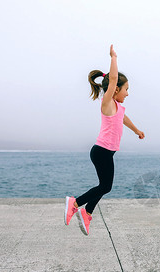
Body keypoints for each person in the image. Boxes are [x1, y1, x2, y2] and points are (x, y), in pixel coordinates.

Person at [65, 44, 145, 235]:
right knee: (105, 186)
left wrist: (137, 130)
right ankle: (75, 204)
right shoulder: (107, 102)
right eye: (126, 89)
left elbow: (124, 119)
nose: (128, 93)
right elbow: (114, 78)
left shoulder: (118, 107)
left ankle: (86, 213)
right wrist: (114, 58)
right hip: (101, 151)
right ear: (115, 89)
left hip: (106, 152)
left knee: (105, 186)